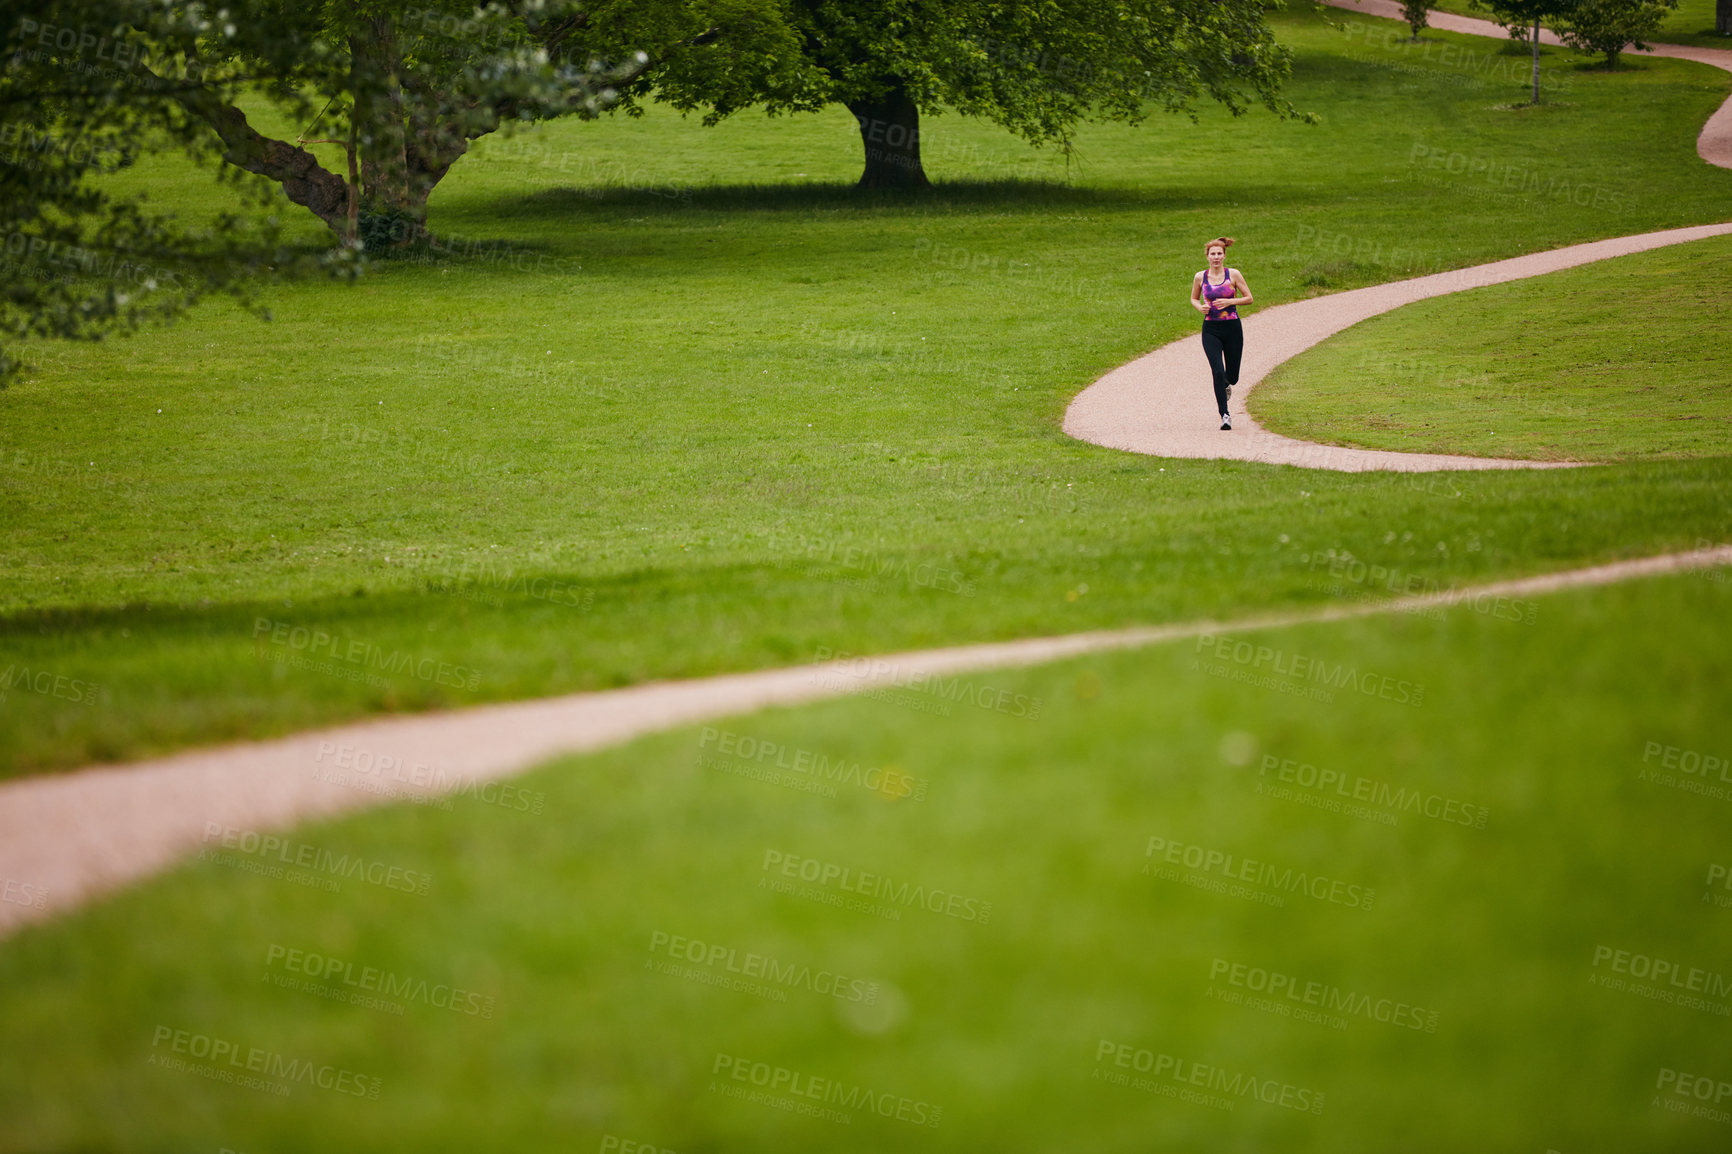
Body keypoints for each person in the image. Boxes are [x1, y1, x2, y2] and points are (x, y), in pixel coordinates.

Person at [1190, 237, 1254, 430]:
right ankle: (1225, 415)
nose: (1216, 257)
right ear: (1207, 257)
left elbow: (1249, 298)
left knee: (1232, 376)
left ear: (1224, 255)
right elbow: (1193, 298)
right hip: (1210, 329)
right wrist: (1199, 306)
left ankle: (1227, 383)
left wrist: (1229, 302)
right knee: (1217, 371)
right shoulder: (1200, 277)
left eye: (1219, 254)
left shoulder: (1233, 275)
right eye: (1213, 254)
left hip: (1232, 328)